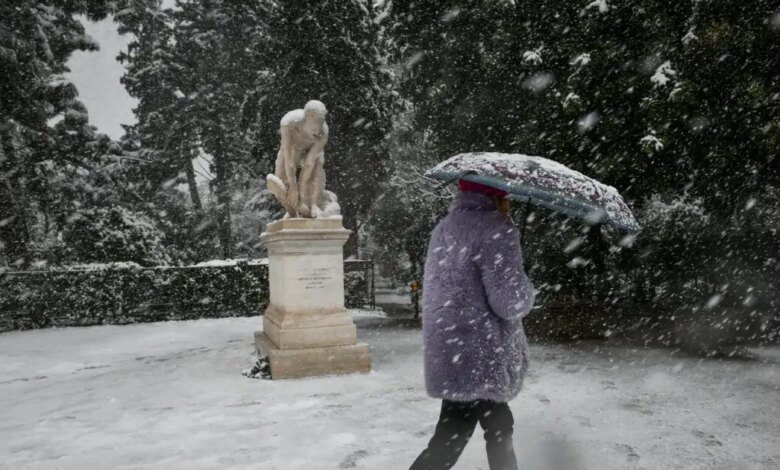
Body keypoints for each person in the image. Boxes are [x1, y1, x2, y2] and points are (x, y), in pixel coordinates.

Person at [410, 179, 535, 470]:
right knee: (451, 440)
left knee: (496, 426)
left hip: (453, 349)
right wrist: (525, 285)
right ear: (496, 197)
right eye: (506, 197)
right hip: (481, 354)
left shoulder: (445, 228)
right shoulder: (496, 229)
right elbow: (509, 303)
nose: (510, 203)